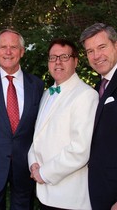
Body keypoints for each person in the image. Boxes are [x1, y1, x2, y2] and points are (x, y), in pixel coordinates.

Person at [28, 38, 98, 210]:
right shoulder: (47, 94)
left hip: (69, 198)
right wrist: (33, 162)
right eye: (53, 57)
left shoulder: (86, 95)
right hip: (45, 193)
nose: (57, 62)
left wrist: (44, 173)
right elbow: (38, 135)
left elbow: (80, 150)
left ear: (75, 61)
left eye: (64, 57)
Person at [0, 29, 44, 210]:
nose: (8, 52)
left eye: (13, 47)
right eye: (3, 47)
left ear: (22, 51)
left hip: (26, 166)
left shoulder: (37, 85)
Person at [80, 23, 117, 210]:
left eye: (101, 47)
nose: (96, 56)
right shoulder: (100, 86)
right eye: (90, 51)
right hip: (102, 194)